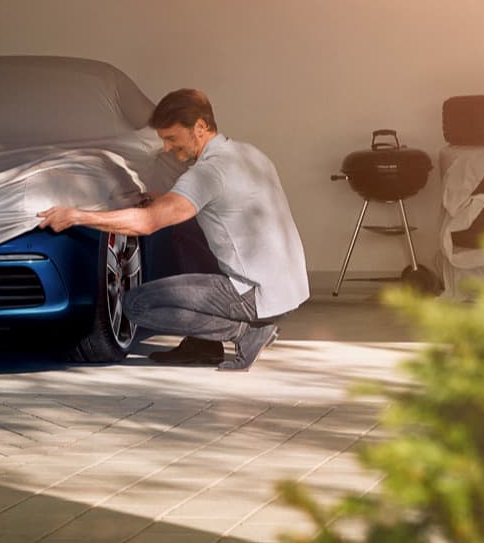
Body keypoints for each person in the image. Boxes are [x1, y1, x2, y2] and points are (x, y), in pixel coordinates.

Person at [37, 88, 308, 370]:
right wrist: (163, 199)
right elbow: (216, 200)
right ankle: (213, 341)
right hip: (288, 289)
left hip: (253, 294)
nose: (166, 148)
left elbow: (147, 223)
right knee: (185, 232)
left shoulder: (207, 173)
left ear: (200, 127)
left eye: (171, 138)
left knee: (136, 304)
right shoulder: (249, 153)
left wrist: (77, 216)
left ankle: (246, 332)